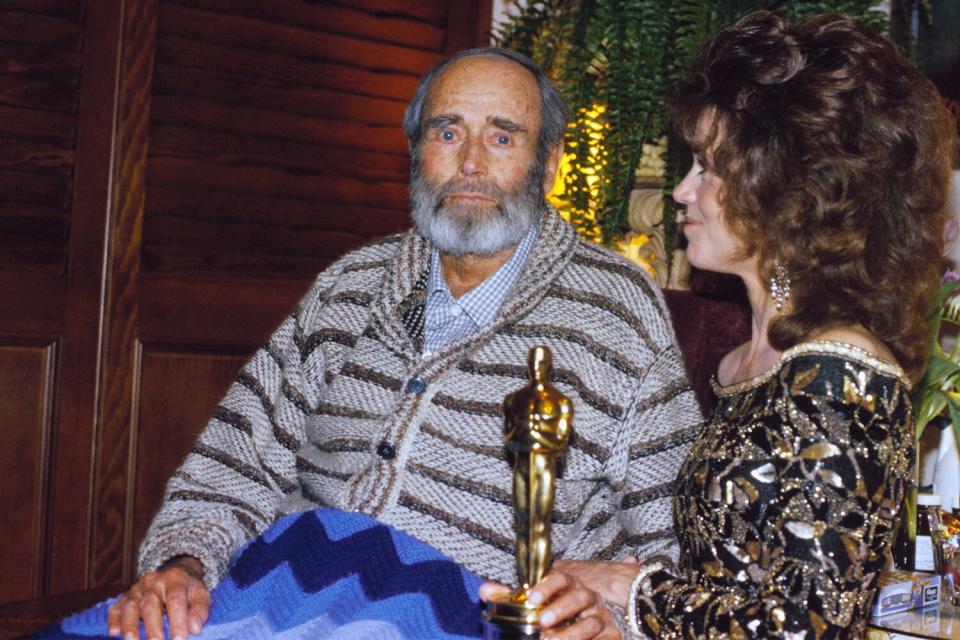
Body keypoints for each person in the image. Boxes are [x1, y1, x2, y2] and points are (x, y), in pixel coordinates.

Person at [107, 47, 702, 640]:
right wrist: (181, 567)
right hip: (276, 597)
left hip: (467, 621)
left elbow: (680, 545)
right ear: (417, 153)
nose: (470, 162)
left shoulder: (617, 310)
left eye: (502, 138)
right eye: (447, 133)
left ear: (547, 166)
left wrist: (619, 620)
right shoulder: (350, 283)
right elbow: (233, 465)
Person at [497, 10, 957, 638]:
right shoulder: (745, 363)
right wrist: (612, 620)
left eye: (707, 167)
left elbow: (804, 626)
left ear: (788, 186)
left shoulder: (841, 378)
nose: (684, 191)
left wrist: (632, 592)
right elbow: (733, 586)